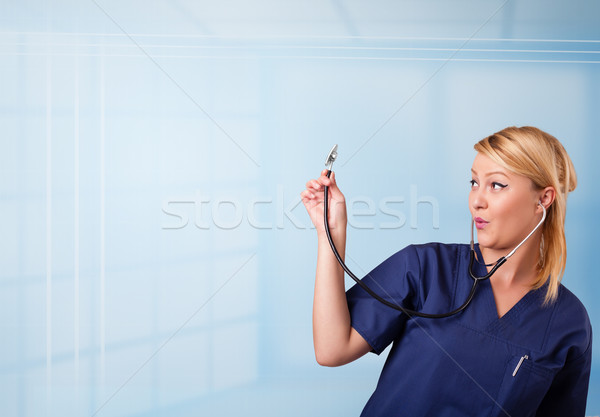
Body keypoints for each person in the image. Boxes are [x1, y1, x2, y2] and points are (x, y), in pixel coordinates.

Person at [300, 126, 592, 416]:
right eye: (474, 182)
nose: (477, 200)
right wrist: (330, 233)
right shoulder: (426, 267)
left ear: (543, 199)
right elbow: (331, 349)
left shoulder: (568, 322)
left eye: (497, 185)